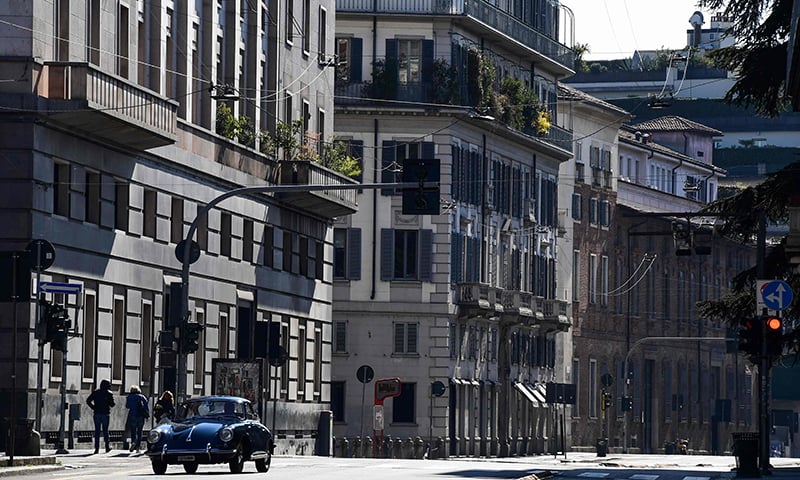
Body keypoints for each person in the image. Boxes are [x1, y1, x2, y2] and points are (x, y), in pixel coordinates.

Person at [86, 379, 115, 454]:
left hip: (97, 413)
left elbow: (88, 400)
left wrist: (94, 407)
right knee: (105, 430)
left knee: (97, 431)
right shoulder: (109, 393)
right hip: (105, 413)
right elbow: (112, 404)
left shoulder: (96, 392)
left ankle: (96, 448)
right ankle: (107, 447)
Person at [125, 385, 149, 453]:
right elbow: (146, 407)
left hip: (132, 415)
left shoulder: (129, 397)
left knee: (133, 430)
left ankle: (133, 442)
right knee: (139, 431)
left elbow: (127, 406)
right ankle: (138, 447)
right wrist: (147, 416)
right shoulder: (142, 397)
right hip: (141, 416)